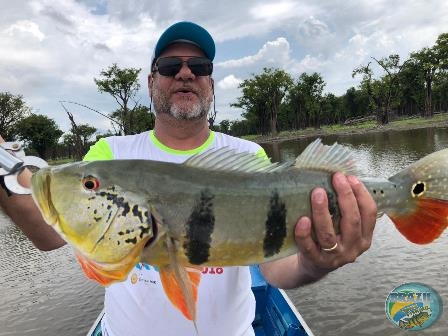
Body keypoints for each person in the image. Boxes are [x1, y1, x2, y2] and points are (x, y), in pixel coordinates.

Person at [0, 21, 377, 336]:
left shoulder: (249, 157)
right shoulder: (110, 155)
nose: (185, 73)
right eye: (169, 67)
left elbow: (273, 266)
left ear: (211, 84)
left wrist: (317, 263)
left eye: (199, 66)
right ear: (151, 83)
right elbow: (49, 231)